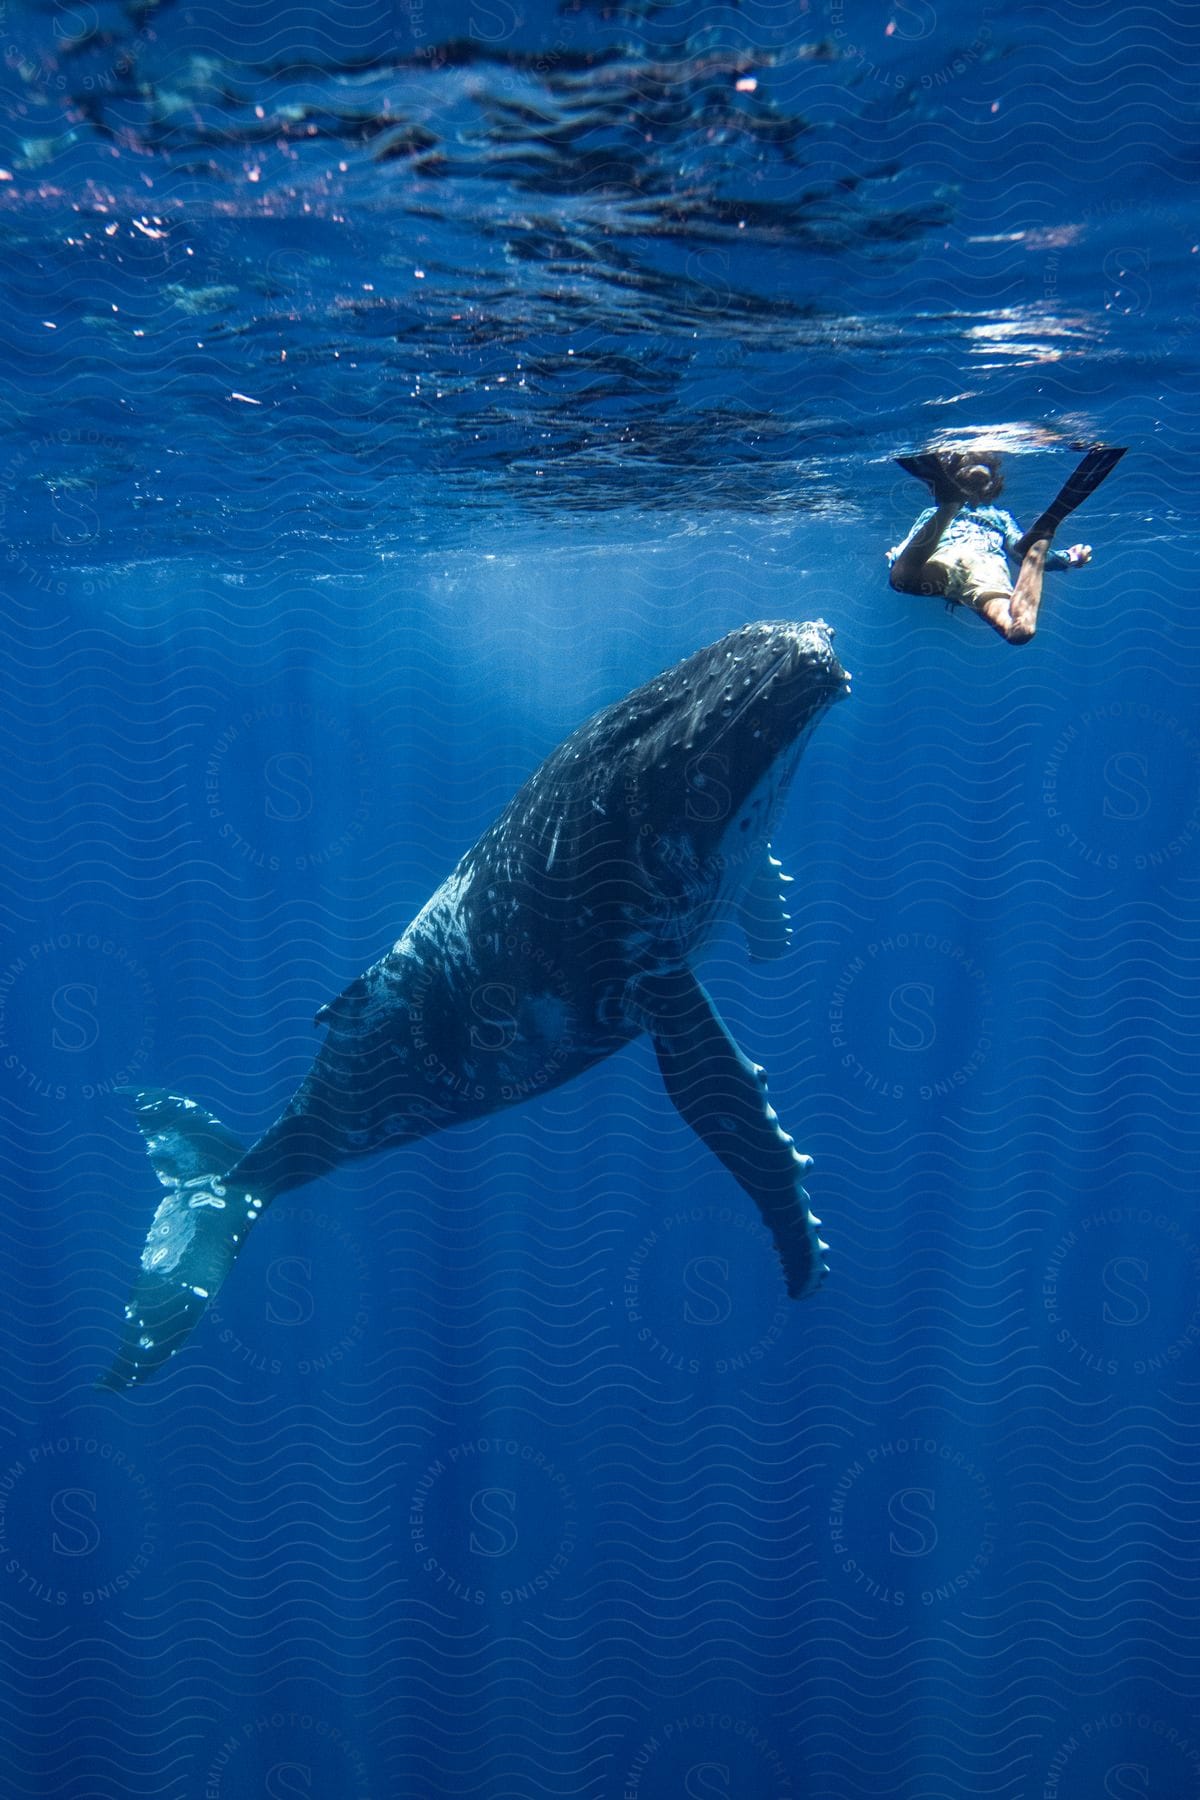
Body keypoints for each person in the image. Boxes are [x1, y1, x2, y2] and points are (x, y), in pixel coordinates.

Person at [887, 446, 1126, 644]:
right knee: (1019, 631)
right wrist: (1068, 558)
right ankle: (1049, 524)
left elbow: (913, 543)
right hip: (987, 573)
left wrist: (896, 556)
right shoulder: (1001, 517)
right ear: (991, 487)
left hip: (946, 567)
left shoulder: (934, 513)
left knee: (901, 578)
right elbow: (1018, 552)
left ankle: (951, 503)